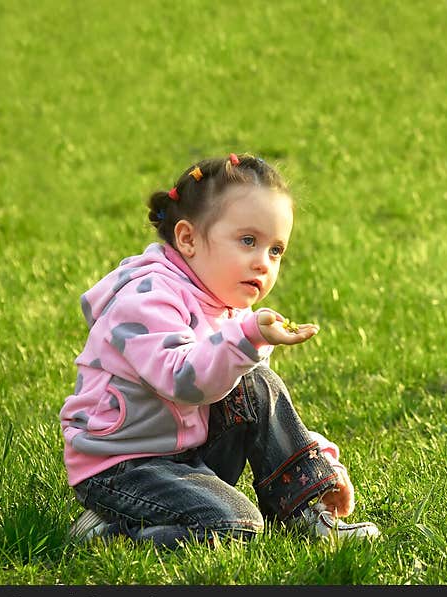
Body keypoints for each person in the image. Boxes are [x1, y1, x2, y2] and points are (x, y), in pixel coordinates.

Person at [60, 153, 380, 547]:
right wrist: (246, 338)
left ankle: (305, 508)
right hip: (123, 466)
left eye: (276, 250)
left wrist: (318, 460)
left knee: (255, 383)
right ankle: (113, 531)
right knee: (234, 525)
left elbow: (264, 410)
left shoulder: (228, 304)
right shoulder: (146, 298)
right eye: (248, 241)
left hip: (184, 451)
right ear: (188, 239)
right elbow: (182, 380)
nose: (263, 263)